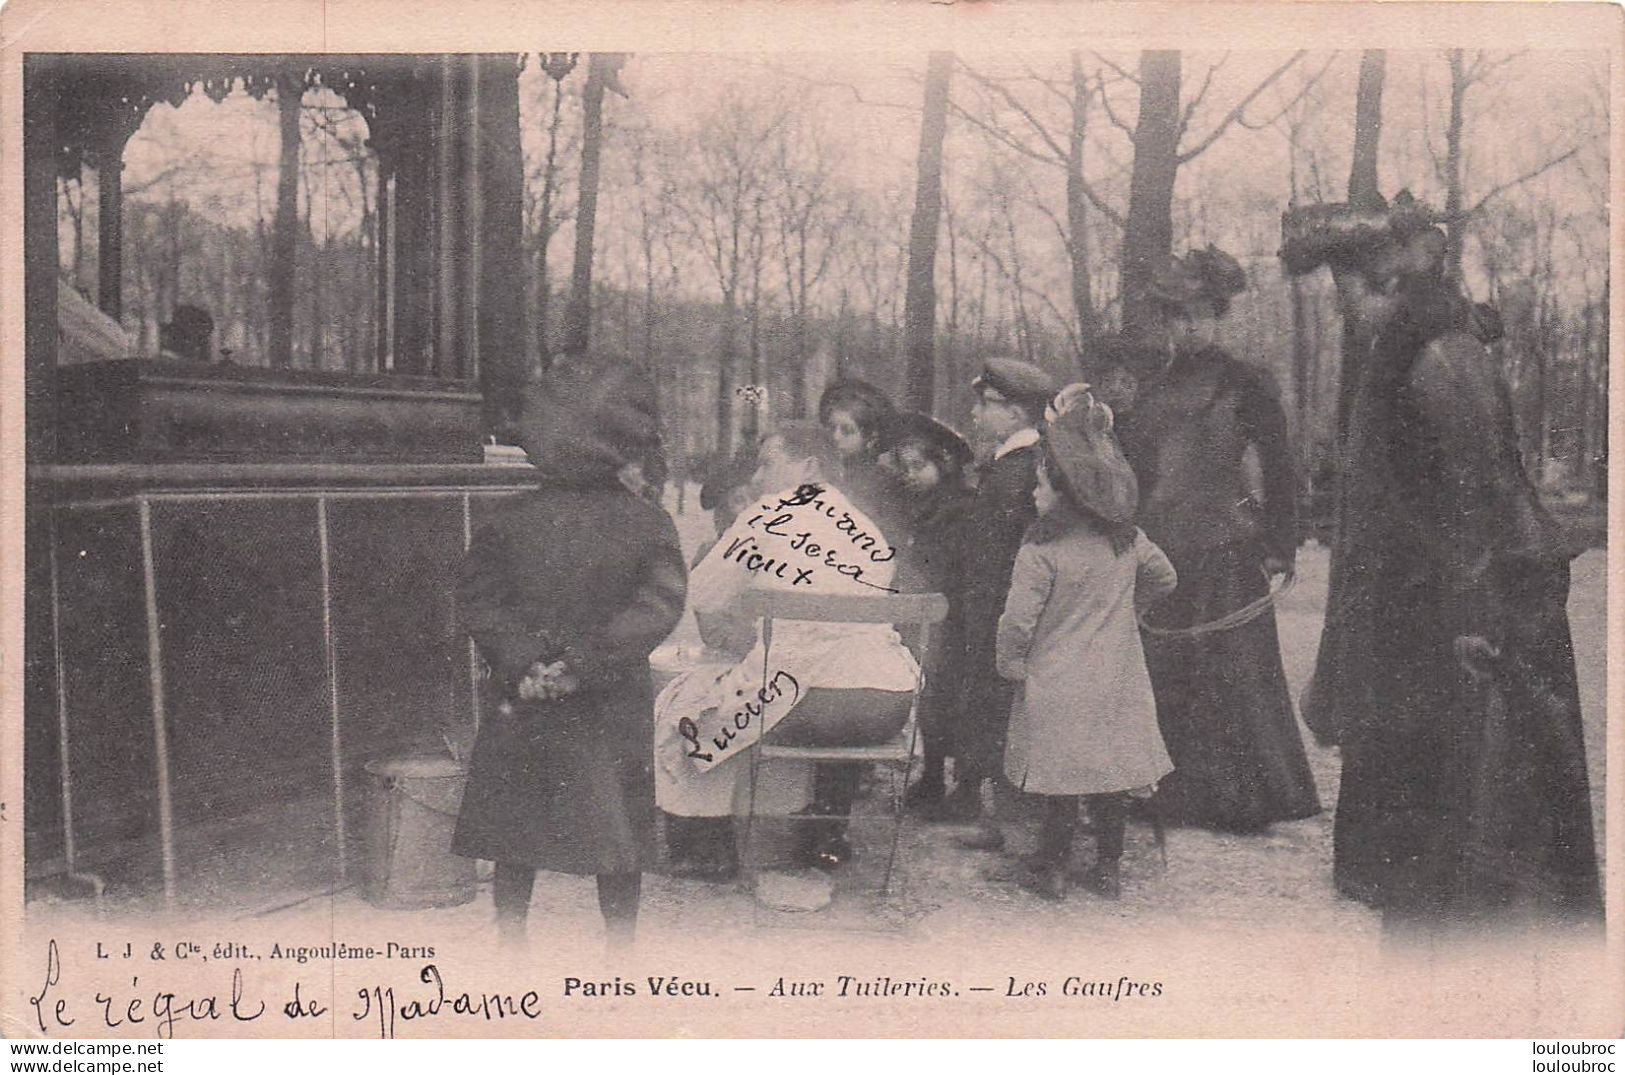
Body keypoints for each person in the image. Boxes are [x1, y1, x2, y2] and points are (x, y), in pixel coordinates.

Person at [1281, 195, 1602, 926]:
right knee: (1423, 840)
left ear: (1390, 287)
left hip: (1460, 623)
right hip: (1416, 622)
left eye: (1350, 293)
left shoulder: (1435, 358)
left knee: (1474, 831)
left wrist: (1471, 613)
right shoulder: (1405, 357)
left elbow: (1478, 494)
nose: (1344, 313)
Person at [452, 353, 688, 950]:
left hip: (525, 698)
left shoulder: (505, 520)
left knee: (515, 831)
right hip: (605, 703)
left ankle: (511, 943)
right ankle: (621, 951)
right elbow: (656, 609)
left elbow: (480, 600)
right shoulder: (649, 523)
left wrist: (525, 661)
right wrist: (583, 666)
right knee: (618, 835)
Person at [1114, 246, 1321, 834]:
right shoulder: (1152, 389)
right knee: (1164, 665)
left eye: (1202, 314)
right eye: (1179, 317)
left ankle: (1241, 797)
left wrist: (1283, 542)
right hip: (1163, 544)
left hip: (1227, 546)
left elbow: (1279, 464)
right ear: (1166, 321)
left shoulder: (1246, 383)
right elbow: (1135, 470)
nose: (1191, 326)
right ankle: (1167, 791)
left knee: (1234, 669)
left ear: (1220, 315)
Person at [653, 421, 919, 871]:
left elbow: (701, 595)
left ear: (809, 466)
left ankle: (707, 845)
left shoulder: (768, 512)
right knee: (812, 673)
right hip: (885, 704)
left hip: (805, 706)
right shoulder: (866, 528)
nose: (756, 477)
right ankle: (822, 833)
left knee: (687, 701)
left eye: (768, 462)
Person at [997, 388, 1176, 900]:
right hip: (1117, 678)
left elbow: (1018, 619)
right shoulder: (1126, 540)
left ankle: (1052, 867)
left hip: (1057, 682)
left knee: (1061, 784)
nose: (1034, 494)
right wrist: (1131, 610)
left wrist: (1009, 660)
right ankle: (1109, 869)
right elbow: (1166, 578)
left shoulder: (1041, 549)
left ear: (1065, 489)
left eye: (1040, 485)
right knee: (1111, 779)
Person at [947, 357, 1060, 837]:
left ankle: (1010, 818)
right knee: (990, 703)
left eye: (987, 404)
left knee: (1002, 705)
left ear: (1016, 415)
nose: (976, 414)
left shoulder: (1023, 468)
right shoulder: (1006, 463)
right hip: (989, 604)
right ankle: (997, 810)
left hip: (1003, 607)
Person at [885, 411, 977, 809]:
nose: (910, 475)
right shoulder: (912, 504)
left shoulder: (960, 507)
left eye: (919, 467)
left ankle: (962, 784)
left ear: (944, 463)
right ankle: (933, 775)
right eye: (904, 467)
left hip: (952, 615)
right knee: (929, 695)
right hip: (921, 613)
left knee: (950, 696)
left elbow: (947, 564)